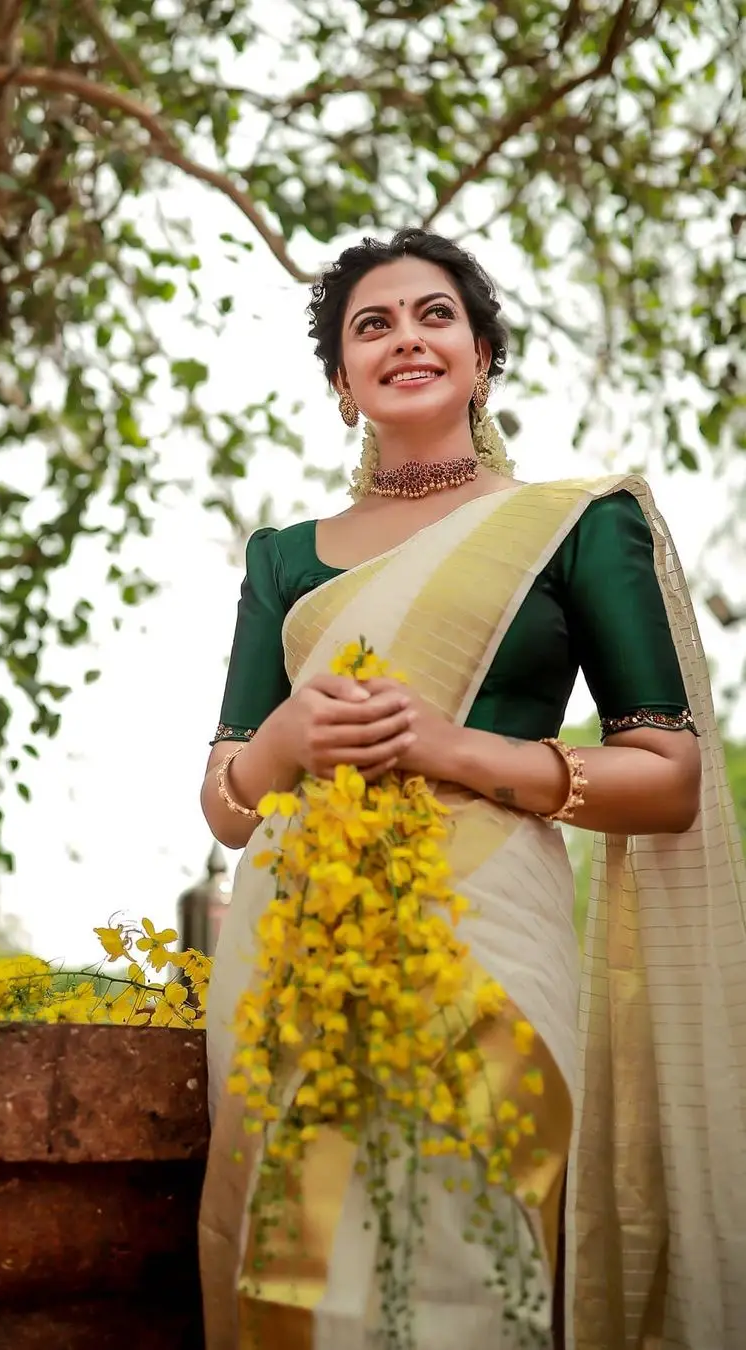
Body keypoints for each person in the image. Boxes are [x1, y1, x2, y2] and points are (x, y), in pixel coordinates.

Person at [196, 228, 746, 1350]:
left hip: (488, 930)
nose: (407, 337)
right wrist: (282, 743)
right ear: (342, 386)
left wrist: (455, 752)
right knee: (297, 1264)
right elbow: (224, 798)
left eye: (435, 315)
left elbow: (671, 777)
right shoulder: (282, 559)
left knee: (478, 1241)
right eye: (373, 325)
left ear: (483, 355)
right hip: (295, 936)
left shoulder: (579, 524)